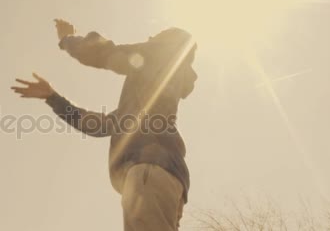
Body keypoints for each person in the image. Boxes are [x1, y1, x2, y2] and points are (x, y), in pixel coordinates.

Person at [11, 19, 198, 231]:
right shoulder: (143, 107)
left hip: (150, 168)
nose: (150, 38)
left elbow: (106, 54)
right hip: (168, 178)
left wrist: (67, 39)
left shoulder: (162, 54)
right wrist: (52, 97)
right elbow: (96, 125)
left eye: (157, 36)